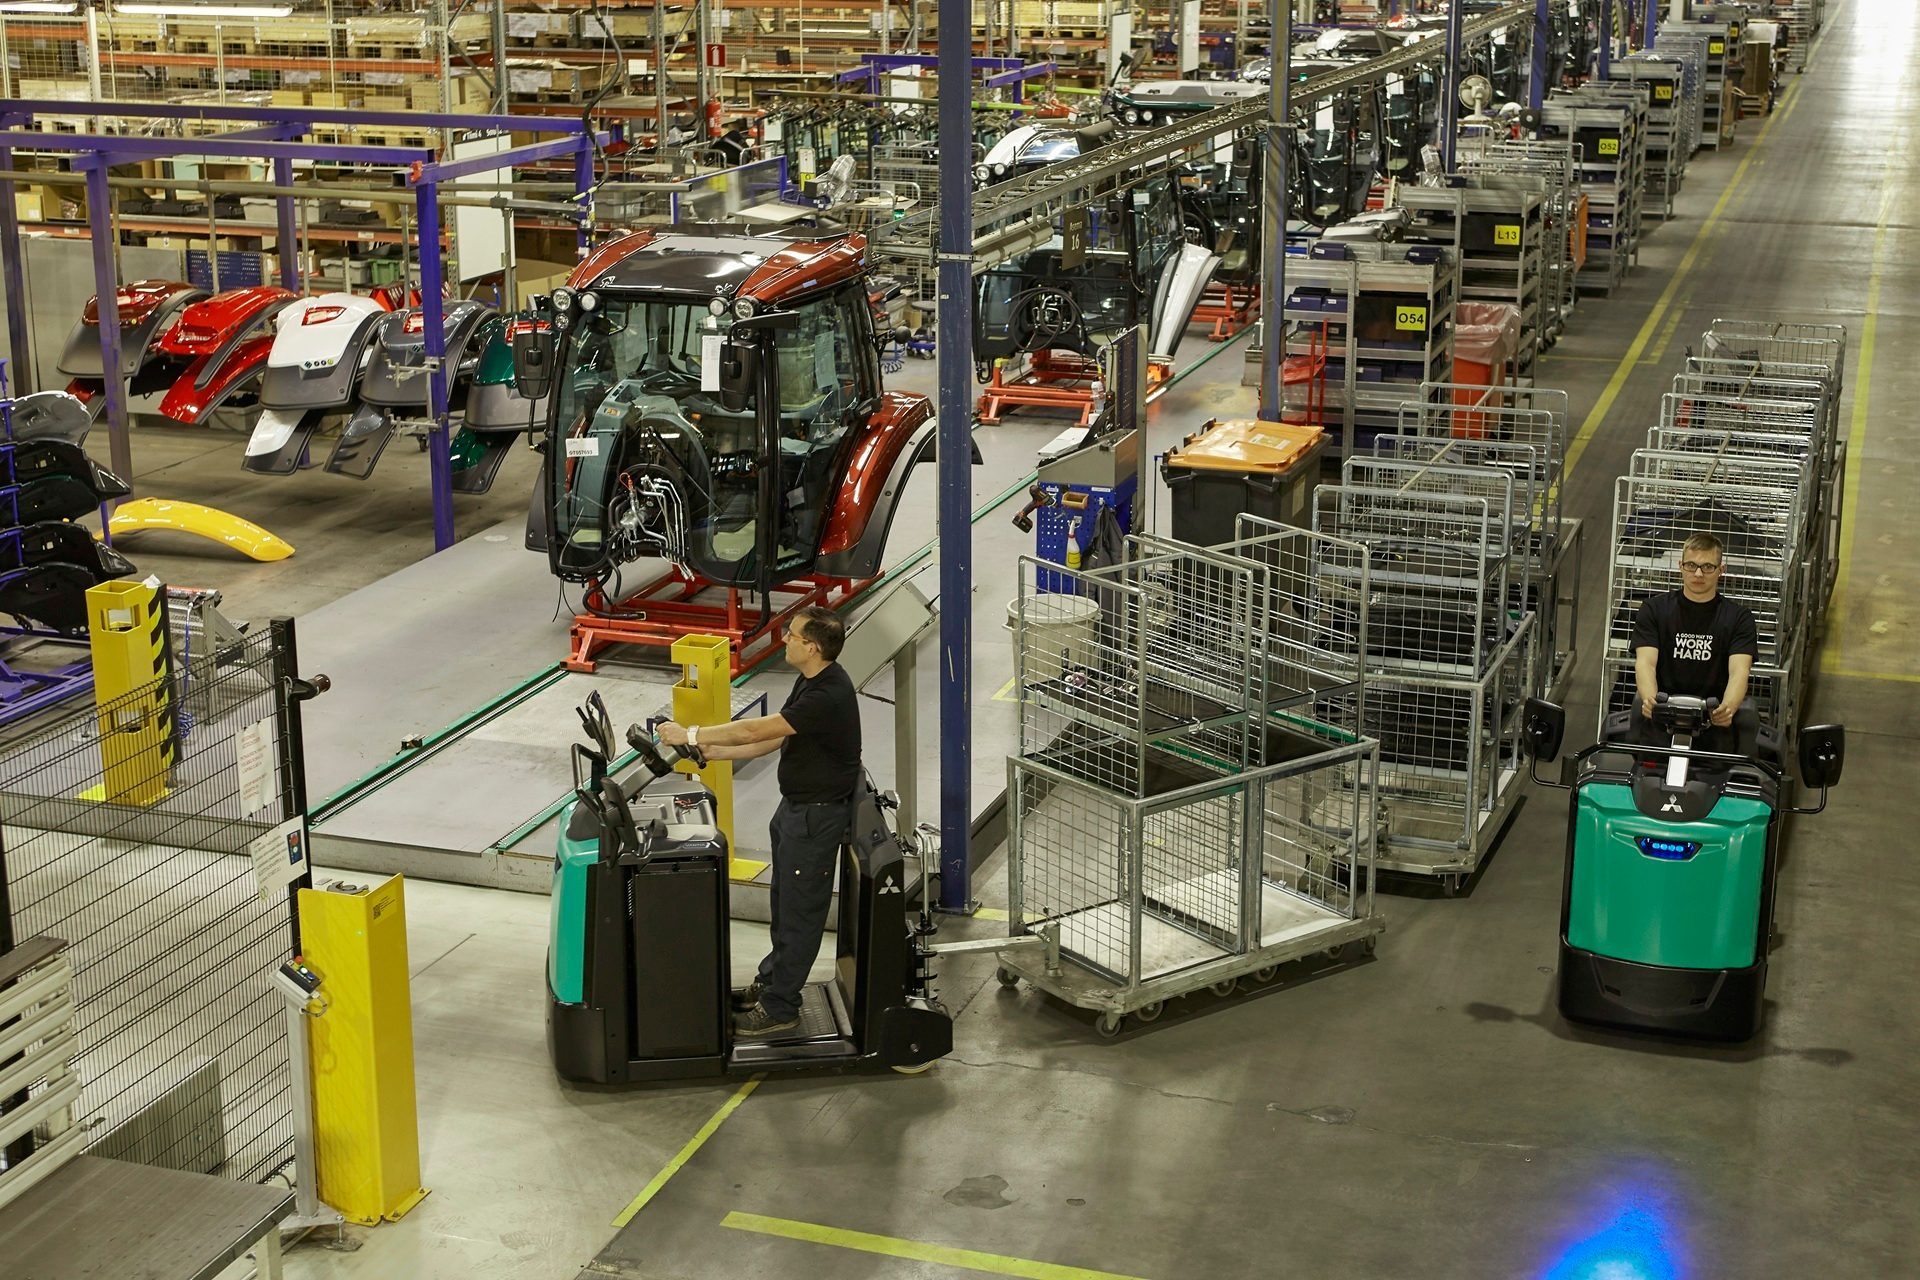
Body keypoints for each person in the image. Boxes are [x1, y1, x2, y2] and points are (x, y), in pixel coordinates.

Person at [655, 605, 860, 1039]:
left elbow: (752, 730)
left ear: (813, 646)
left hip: (816, 818)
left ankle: (781, 1006)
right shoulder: (810, 683)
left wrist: (690, 735)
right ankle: (771, 984)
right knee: (784, 906)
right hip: (796, 811)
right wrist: (711, 755)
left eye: (792, 635)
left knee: (801, 913)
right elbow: (768, 742)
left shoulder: (828, 694)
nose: (785, 639)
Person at [1628, 532, 1759, 755]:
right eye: (1691, 565)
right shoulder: (1654, 610)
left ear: (1721, 570)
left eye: (1708, 567)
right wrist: (1651, 702)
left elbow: (1739, 671)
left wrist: (1728, 708)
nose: (1698, 573)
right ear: (1680, 566)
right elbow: (1645, 664)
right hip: (1661, 722)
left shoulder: (1739, 618)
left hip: (1714, 725)